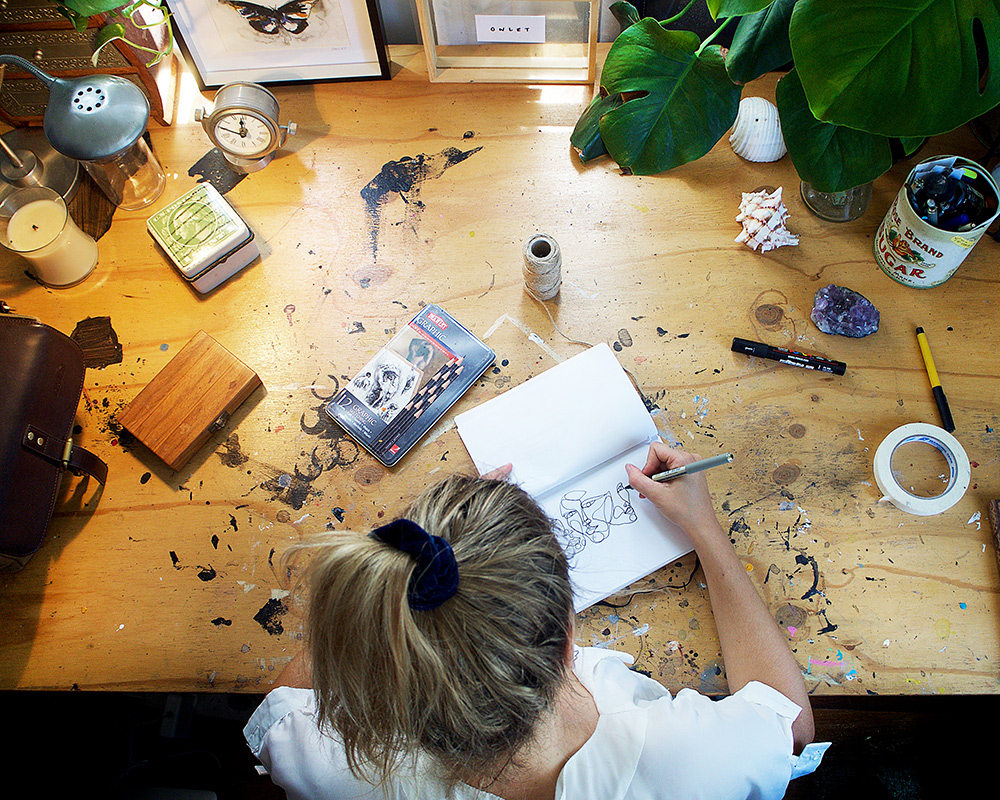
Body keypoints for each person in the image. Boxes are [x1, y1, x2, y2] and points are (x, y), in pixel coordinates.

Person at [244, 444, 825, 800]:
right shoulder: (686, 766)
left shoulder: (330, 759)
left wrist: (407, 573)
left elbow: (285, 698)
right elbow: (788, 724)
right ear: (570, 643)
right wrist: (706, 530)